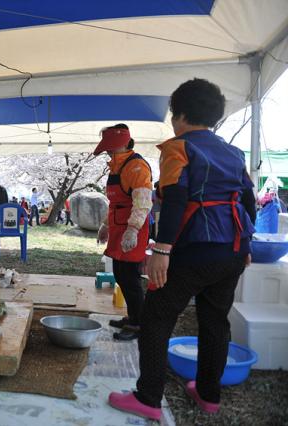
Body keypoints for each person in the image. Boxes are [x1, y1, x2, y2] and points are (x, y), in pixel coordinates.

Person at [107, 79, 256, 421]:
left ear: (180, 114)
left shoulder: (179, 148)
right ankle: (208, 395)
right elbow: (246, 198)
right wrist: (245, 246)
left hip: (194, 251)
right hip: (232, 250)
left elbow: (175, 200)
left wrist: (161, 251)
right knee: (215, 321)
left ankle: (147, 398)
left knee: (157, 317)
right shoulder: (233, 152)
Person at [95, 123, 153, 341]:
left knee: (130, 278)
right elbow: (115, 203)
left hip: (132, 228)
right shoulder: (116, 166)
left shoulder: (136, 167)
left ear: (123, 144)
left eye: (112, 147)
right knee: (120, 274)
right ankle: (132, 316)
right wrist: (105, 225)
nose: (109, 152)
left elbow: (142, 202)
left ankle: (139, 324)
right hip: (119, 226)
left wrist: (133, 229)